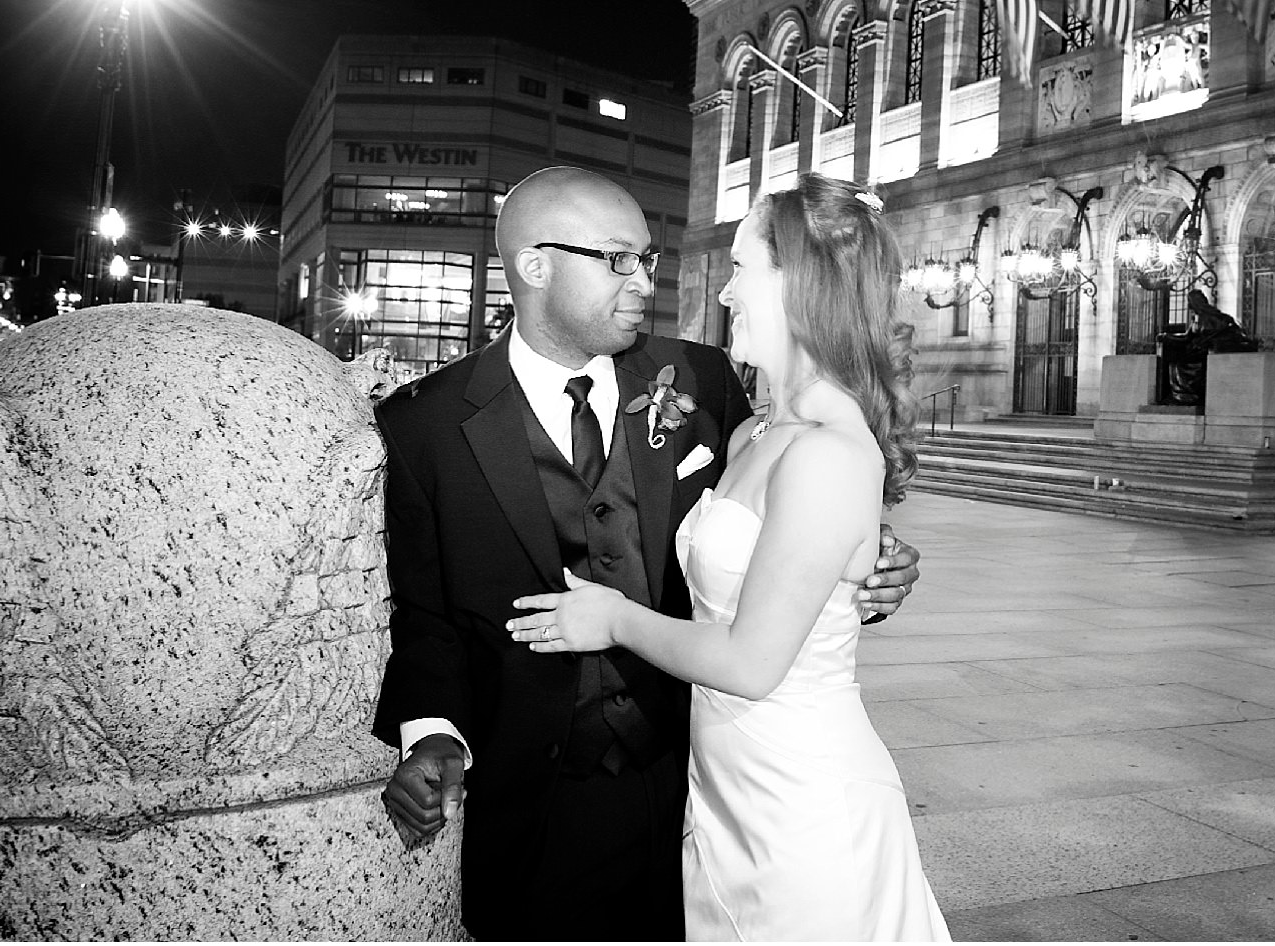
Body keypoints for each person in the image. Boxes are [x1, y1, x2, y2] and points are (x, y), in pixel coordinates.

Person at [372, 167, 920, 942]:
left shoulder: (704, 379)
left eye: (649, 260)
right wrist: (431, 734)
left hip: (689, 783)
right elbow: (425, 613)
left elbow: (798, 523)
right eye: (618, 259)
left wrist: (872, 555)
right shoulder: (423, 428)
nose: (644, 282)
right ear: (535, 265)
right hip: (537, 803)